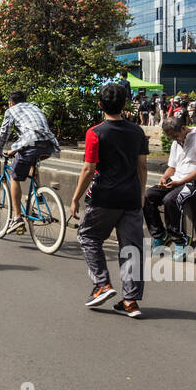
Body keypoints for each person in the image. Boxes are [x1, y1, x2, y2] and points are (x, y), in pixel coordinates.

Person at [68, 83, 147, 318]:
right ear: (125, 104)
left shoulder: (95, 133)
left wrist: (75, 198)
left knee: (89, 236)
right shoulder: (138, 132)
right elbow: (142, 166)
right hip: (131, 198)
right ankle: (130, 301)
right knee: (132, 249)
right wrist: (141, 194)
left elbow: (88, 169)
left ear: (100, 105)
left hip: (104, 197)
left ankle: (102, 284)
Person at [143, 114, 196, 261]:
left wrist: (179, 181)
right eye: (171, 137)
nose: (175, 139)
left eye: (176, 136)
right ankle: (160, 235)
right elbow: (172, 167)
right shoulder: (176, 143)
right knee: (148, 196)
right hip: (177, 179)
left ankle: (181, 240)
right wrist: (164, 177)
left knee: (171, 199)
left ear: (183, 128)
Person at [0, 90, 60, 234]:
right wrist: (15, 150)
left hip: (30, 144)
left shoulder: (11, 110)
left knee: (15, 177)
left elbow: (4, 132)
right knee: (32, 164)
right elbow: (34, 130)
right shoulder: (35, 107)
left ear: (10, 102)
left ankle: (17, 218)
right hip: (48, 145)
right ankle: (36, 196)